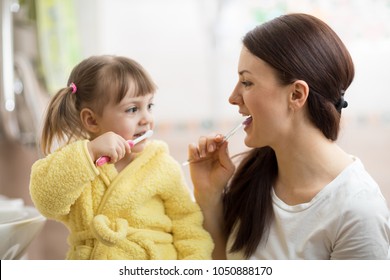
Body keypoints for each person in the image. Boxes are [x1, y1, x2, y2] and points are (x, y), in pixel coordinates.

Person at [187, 13, 390, 260]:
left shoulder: (358, 211)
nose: (233, 97)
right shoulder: (253, 176)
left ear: (296, 95)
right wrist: (209, 196)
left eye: (247, 82)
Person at [30, 55, 213, 260]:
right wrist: (88, 153)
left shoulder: (161, 165)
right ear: (91, 120)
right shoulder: (76, 164)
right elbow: (46, 202)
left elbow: (188, 226)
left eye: (149, 106)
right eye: (133, 109)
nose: (147, 119)